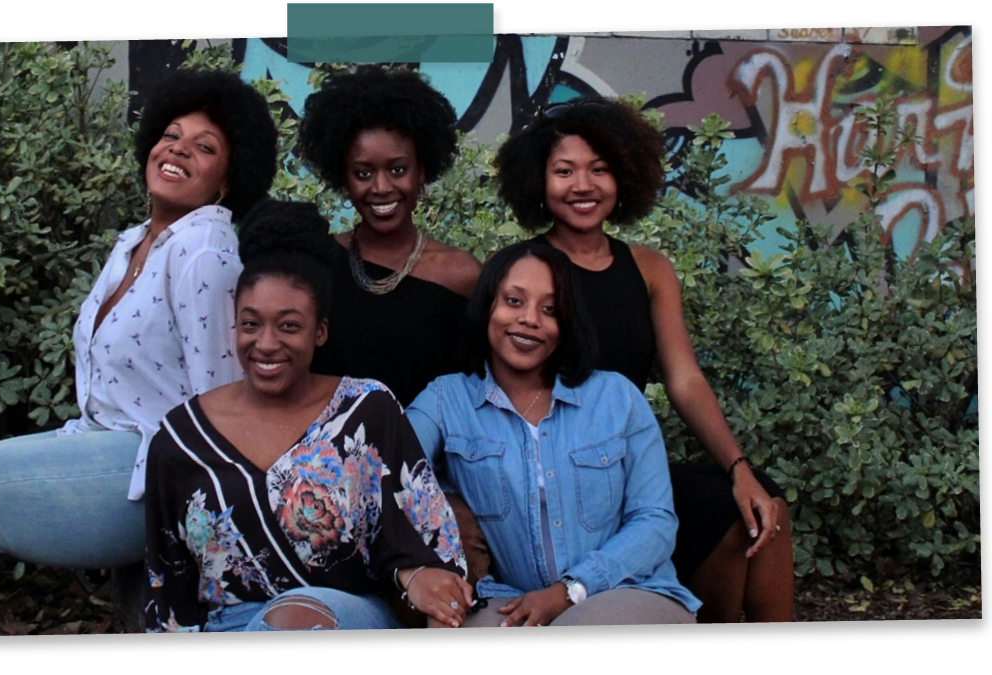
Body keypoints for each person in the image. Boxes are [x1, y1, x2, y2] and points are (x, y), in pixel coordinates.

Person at [0, 69, 279, 637]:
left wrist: (207, 538)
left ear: (227, 179)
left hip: (149, 469)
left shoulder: (205, 248)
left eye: (205, 147)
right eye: (171, 135)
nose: (178, 150)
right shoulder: (134, 241)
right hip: (96, 442)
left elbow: (219, 398)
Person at [493, 97, 794, 623]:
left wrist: (738, 467)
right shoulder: (525, 271)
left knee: (758, 507)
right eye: (564, 171)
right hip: (558, 478)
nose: (582, 185)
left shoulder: (650, 268)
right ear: (538, 181)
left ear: (625, 175)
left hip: (632, 469)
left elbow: (684, 379)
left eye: (600, 169)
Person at [143, 201, 470, 633]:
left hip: (343, 616)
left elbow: (426, 543)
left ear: (320, 331)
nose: (266, 344)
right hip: (226, 623)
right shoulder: (181, 437)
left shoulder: (365, 410)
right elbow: (168, 586)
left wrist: (419, 578)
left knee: (294, 618)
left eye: (289, 326)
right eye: (250, 324)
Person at [408, 242, 700, 626]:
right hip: (508, 599)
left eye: (550, 310)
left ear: (566, 326)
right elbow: (390, 467)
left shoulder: (616, 398)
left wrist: (571, 590)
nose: (530, 319)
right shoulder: (447, 400)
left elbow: (656, 521)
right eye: (513, 301)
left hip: (625, 589)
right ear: (486, 308)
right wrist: (437, 520)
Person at [298, 65, 483, 406]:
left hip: (426, 456)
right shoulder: (318, 263)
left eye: (398, 169)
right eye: (363, 172)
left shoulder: (462, 275)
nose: (381, 187)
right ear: (344, 178)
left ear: (422, 172)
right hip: (325, 456)